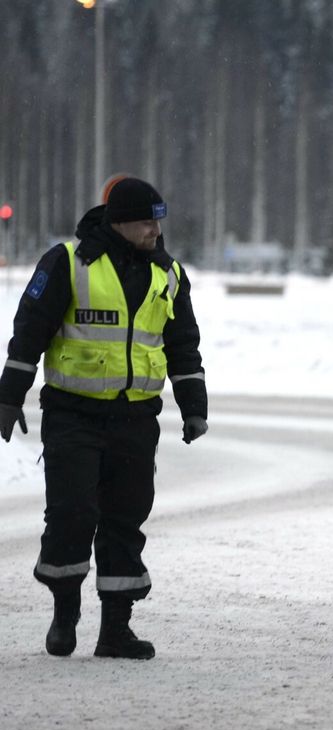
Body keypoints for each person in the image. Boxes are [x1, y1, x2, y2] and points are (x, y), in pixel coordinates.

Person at [0, 176, 208, 660]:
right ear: (119, 222)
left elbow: (183, 344)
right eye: (146, 222)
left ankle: (116, 629)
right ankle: (65, 610)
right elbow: (29, 331)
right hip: (74, 414)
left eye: (158, 221)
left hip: (136, 419)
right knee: (74, 513)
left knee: (125, 519)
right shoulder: (68, 263)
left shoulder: (168, 274)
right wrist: (9, 397)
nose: (156, 231)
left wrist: (194, 405)